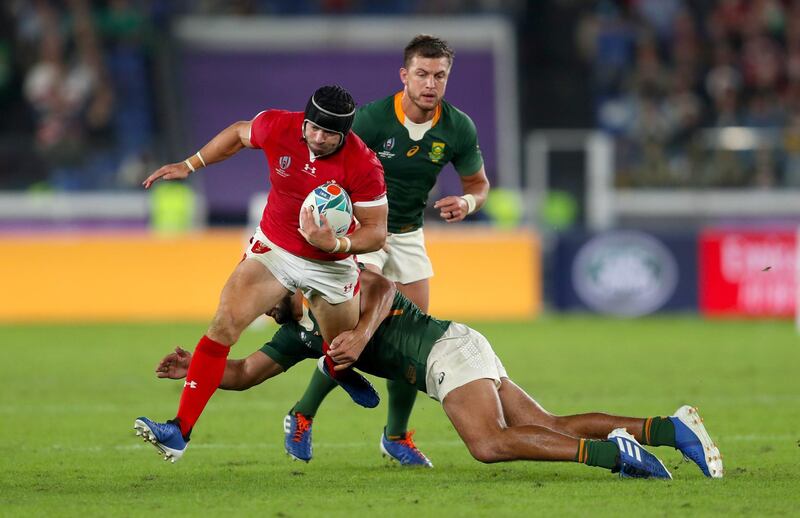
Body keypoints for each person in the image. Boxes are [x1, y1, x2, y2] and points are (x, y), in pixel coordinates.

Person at [145, 268, 724, 480]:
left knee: (489, 445)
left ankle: (617, 456)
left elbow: (384, 283)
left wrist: (363, 335)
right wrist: (196, 370)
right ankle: (670, 430)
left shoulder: (330, 281)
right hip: (455, 350)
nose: (258, 307)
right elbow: (243, 372)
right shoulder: (296, 334)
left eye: (262, 297)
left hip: (444, 351)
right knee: (545, 423)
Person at [133, 85, 389, 462]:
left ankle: (337, 367)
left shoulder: (364, 165)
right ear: (304, 120)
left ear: (345, 134)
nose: (318, 137)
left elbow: (376, 232)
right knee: (224, 323)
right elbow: (238, 133)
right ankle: (178, 431)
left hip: (331, 265)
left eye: (330, 133)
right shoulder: (280, 126)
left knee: (340, 348)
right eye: (313, 128)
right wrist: (190, 165)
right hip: (276, 250)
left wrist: (335, 245)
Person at [285, 35, 491, 466]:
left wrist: (467, 203)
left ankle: (395, 436)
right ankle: (302, 413)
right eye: (422, 73)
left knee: (414, 341)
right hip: (361, 235)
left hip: (409, 235)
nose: (430, 83)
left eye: (439, 75)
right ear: (404, 75)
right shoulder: (372, 120)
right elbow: (324, 172)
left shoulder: (458, 128)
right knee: (352, 335)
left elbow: (478, 185)